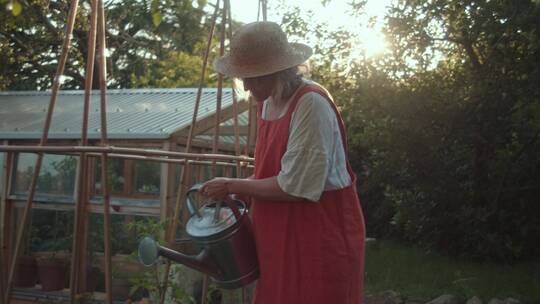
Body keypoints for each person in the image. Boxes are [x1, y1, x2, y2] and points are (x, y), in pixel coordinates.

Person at [201, 21, 365, 304]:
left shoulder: (310, 104)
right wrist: (235, 191)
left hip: (318, 236)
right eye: (244, 77)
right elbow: (274, 173)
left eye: (254, 77)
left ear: (279, 71)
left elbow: (296, 186)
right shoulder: (266, 103)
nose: (247, 85)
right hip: (275, 236)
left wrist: (231, 183)